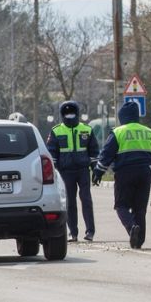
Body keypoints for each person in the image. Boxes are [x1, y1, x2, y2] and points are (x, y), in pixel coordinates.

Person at [92, 100, 151, 249]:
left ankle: (131, 228)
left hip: (125, 172)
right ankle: (139, 241)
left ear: (122, 116)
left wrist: (98, 172)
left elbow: (107, 154)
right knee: (140, 209)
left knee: (121, 205)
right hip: (145, 173)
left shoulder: (118, 132)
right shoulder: (150, 132)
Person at [45, 101, 98, 242]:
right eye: (67, 113)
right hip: (65, 172)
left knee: (86, 200)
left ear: (77, 113)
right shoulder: (56, 131)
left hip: (83, 170)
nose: (70, 115)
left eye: (72, 112)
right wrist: (54, 172)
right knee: (69, 203)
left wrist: (96, 170)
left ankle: (90, 232)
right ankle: (72, 232)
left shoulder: (87, 129)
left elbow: (94, 152)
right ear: (62, 114)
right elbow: (52, 153)